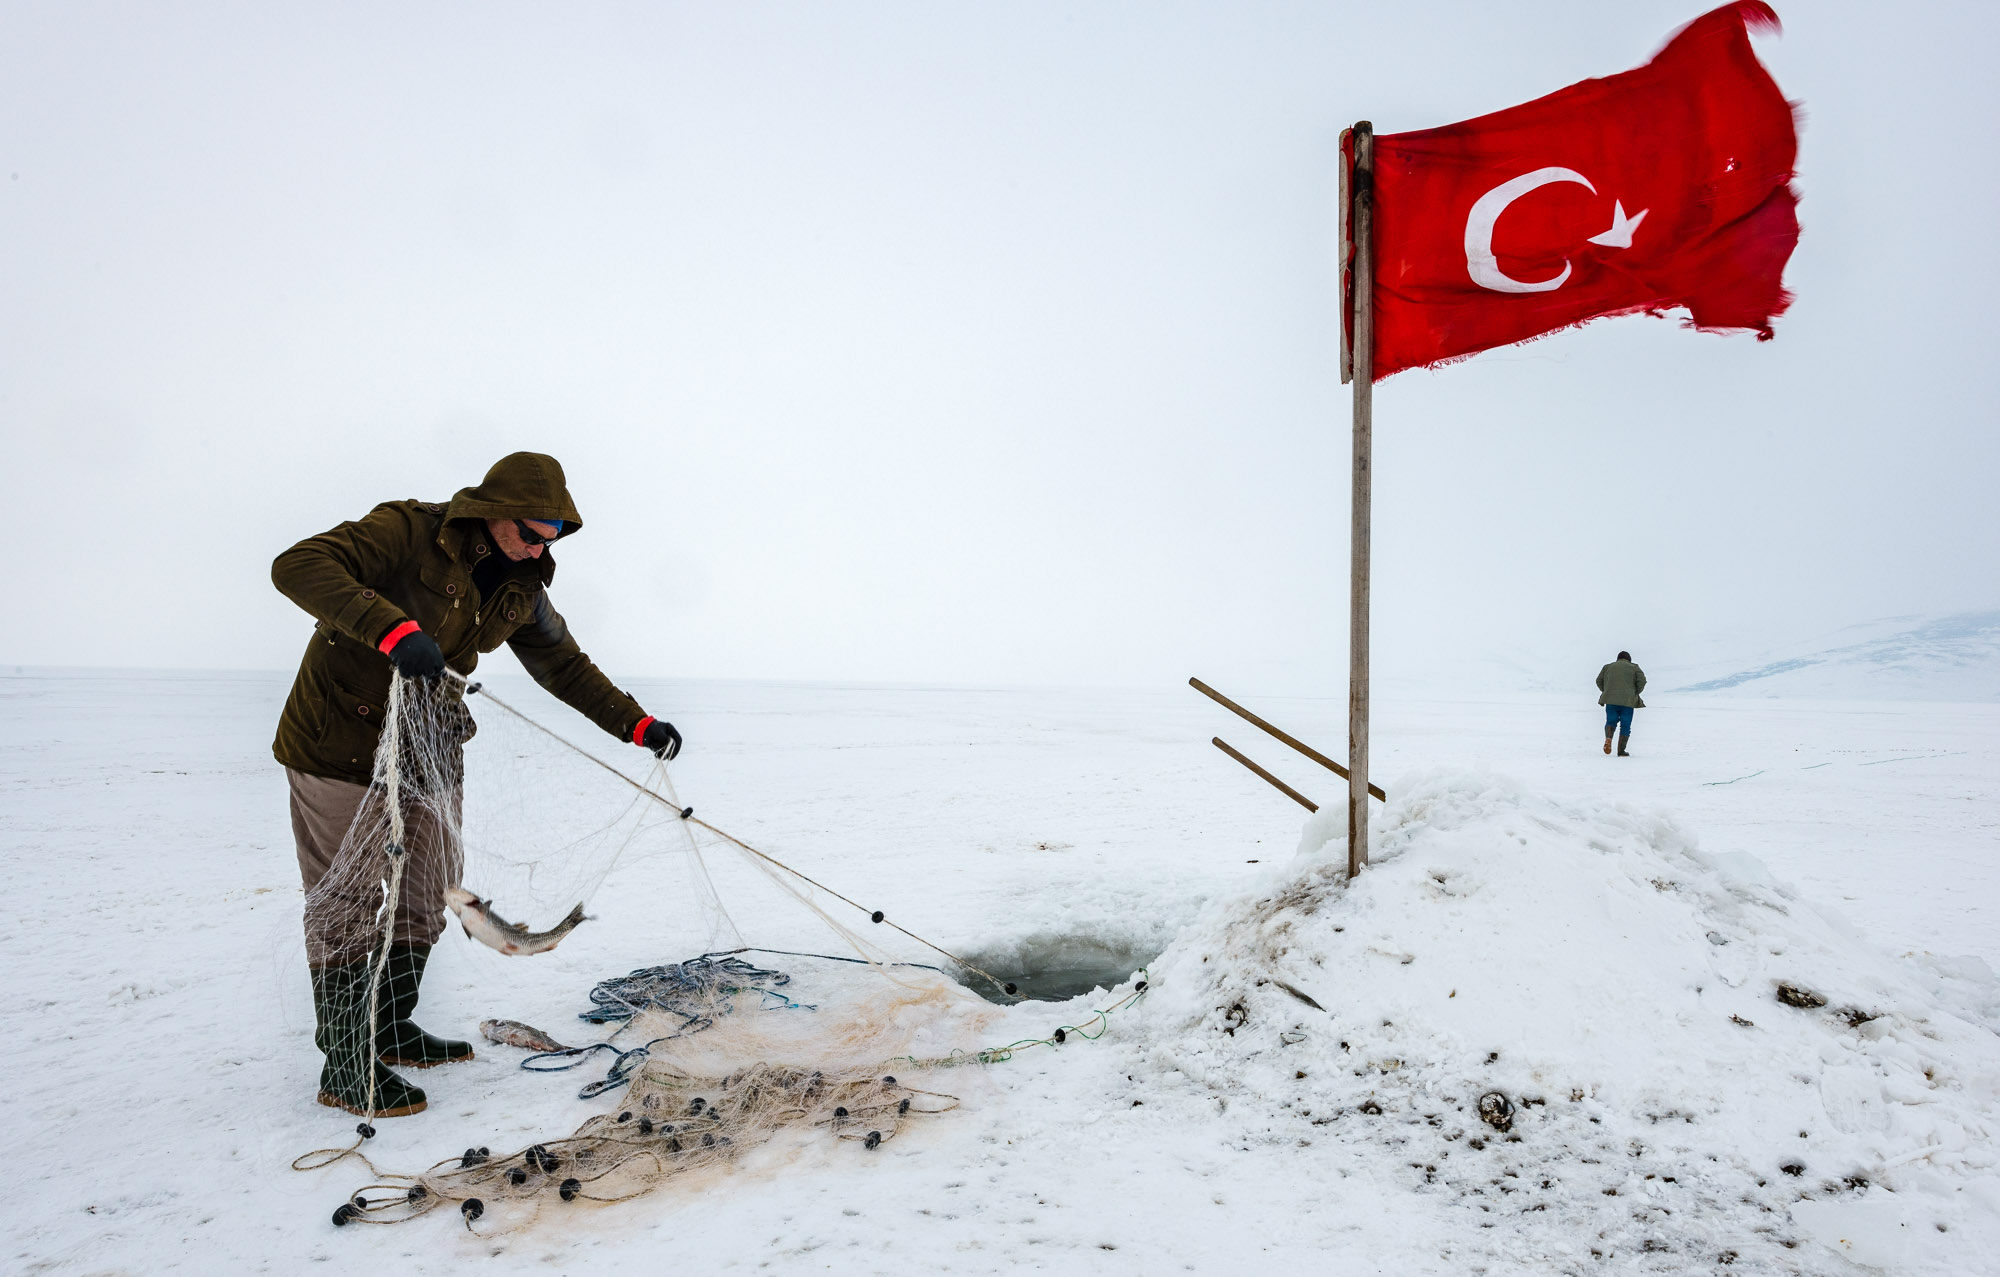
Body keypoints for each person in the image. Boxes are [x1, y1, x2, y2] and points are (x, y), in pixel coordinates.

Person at [271, 452, 682, 1117]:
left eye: (552, 539)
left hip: (427, 747)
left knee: (429, 890)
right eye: (532, 534)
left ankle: (390, 1027)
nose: (540, 549)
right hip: (338, 740)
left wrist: (636, 724)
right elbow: (297, 565)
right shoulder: (408, 530)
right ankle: (346, 1061)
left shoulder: (523, 584)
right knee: (347, 901)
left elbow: (564, 666)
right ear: (495, 512)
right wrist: (392, 629)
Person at [1595, 650, 1646, 757]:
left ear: (1618, 659)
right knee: (1625, 725)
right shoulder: (1634, 667)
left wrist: (1607, 690)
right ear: (1629, 660)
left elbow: (1599, 680)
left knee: (1611, 721)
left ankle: (1608, 738)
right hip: (1628, 701)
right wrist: (1635, 692)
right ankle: (1621, 751)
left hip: (1610, 700)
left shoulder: (1607, 667)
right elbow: (1642, 681)